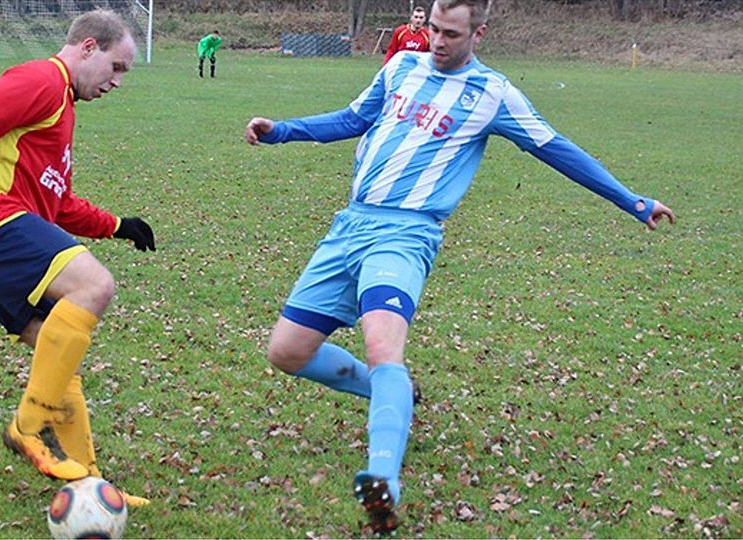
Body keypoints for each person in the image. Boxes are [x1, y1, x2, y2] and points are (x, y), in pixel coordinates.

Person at [244, 0, 674, 533]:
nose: (438, 42)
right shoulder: (401, 66)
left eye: (451, 33)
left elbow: (556, 148)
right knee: (287, 352)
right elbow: (353, 119)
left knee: (383, 346)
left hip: (406, 234)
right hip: (349, 226)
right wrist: (282, 130)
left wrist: (631, 200)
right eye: (433, 30)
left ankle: (381, 480)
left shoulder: (493, 93)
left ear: (479, 33)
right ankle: (394, 394)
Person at [0, 9, 156, 503]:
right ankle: (27, 427)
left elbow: (60, 203)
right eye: (117, 68)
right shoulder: (44, 79)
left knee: (57, 353)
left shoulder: (61, 108)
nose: (118, 82)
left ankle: (89, 483)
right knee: (95, 286)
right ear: (88, 47)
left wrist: (118, 226)